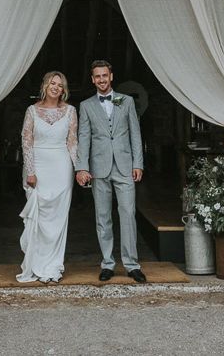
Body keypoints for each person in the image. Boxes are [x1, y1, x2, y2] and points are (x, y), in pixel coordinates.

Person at [75, 60, 146, 283]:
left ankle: (132, 264)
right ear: (92, 79)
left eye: (105, 75)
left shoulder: (125, 101)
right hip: (99, 168)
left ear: (111, 76)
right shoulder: (86, 105)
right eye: (97, 76)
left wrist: (138, 163)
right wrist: (82, 167)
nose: (102, 80)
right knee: (103, 217)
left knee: (127, 214)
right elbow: (83, 138)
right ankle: (107, 263)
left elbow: (136, 134)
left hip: (125, 167)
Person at [16, 71, 78, 283]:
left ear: (64, 90)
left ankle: (52, 267)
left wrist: (79, 169)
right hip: (38, 166)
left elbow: (72, 142)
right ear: (45, 85)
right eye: (52, 83)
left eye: (60, 85)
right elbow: (26, 142)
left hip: (62, 167)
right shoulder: (32, 110)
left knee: (58, 218)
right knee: (39, 216)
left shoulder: (70, 111)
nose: (55, 87)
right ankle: (36, 265)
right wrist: (31, 171)